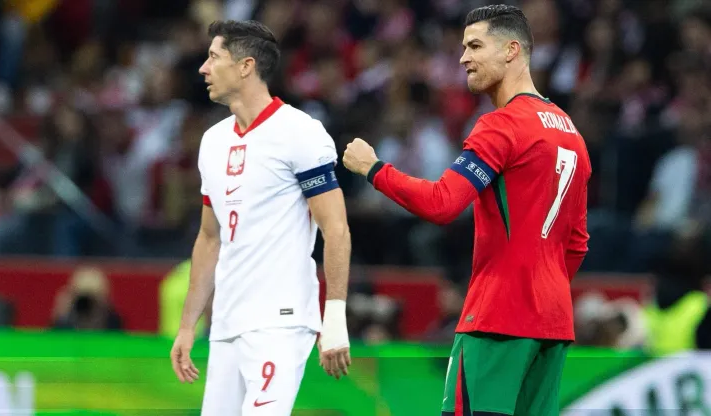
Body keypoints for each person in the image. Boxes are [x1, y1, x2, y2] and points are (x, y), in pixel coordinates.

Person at [343, 5, 590, 416]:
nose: (463, 59)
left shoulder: (502, 125)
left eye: (475, 46)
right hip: (552, 325)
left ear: (512, 50)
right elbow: (577, 245)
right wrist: (540, 293)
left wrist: (374, 169)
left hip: (496, 320)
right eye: (462, 47)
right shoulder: (571, 132)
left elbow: (443, 203)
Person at [169, 20, 352, 416]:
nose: (203, 67)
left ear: (246, 66)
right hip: (227, 323)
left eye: (214, 57)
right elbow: (209, 237)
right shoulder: (212, 141)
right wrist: (188, 325)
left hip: (280, 321)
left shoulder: (300, 132)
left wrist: (333, 316)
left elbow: (335, 227)